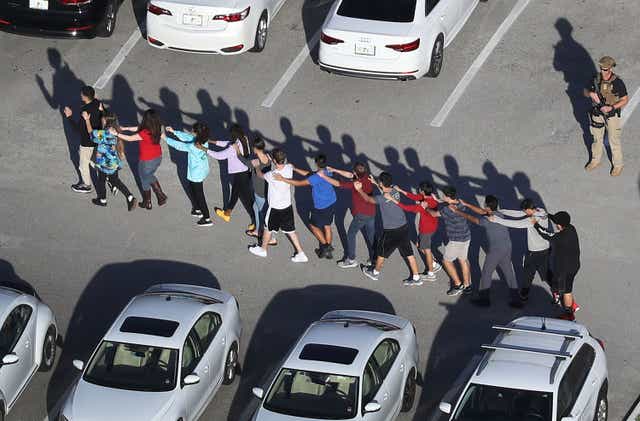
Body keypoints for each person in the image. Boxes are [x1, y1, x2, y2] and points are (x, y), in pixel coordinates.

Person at [451, 196, 522, 307]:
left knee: (486, 274)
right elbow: (483, 212)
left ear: (487, 206)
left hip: (496, 250)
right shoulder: (499, 214)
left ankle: (484, 300)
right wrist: (466, 204)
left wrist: (457, 211)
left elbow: (472, 218)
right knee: (508, 272)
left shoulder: (486, 220)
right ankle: (516, 299)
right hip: (507, 247)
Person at [357, 173, 423, 286]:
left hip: (391, 231)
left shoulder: (381, 198)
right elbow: (386, 190)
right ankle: (416, 277)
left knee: (382, 252)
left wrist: (359, 190)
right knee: (408, 253)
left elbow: (368, 199)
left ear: (382, 183)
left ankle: (375, 272)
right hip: (404, 226)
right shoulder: (394, 190)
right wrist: (375, 183)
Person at [489, 199, 555, 303]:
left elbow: (515, 223)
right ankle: (557, 291)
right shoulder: (541, 211)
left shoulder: (531, 220)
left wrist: (496, 220)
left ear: (529, 209)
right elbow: (518, 213)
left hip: (535, 252)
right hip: (545, 249)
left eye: (525, 211)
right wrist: (501, 211)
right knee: (545, 272)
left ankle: (524, 295)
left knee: (529, 274)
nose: (524, 213)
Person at [248, 149, 308, 263]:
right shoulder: (289, 167)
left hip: (275, 208)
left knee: (267, 227)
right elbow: (286, 166)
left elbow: (260, 175)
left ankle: (263, 249)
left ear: (274, 161)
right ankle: (301, 253)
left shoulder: (272, 175)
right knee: (291, 230)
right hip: (287, 206)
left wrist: (256, 166)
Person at [275, 154, 337, 259]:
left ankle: (326, 248)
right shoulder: (328, 171)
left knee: (313, 225)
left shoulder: (316, 177)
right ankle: (328, 248)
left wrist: (283, 179)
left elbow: (299, 183)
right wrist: (295, 169)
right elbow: (310, 174)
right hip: (331, 202)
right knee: (327, 225)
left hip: (321, 207)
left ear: (316, 163)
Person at [316, 163, 376, 268]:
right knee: (371, 236)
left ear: (355, 173)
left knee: (351, 235)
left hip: (361, 215)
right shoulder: (367, 177)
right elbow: (350, 175)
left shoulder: (355, 183)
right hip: (372, 212)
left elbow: (338, 184)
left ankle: (351, 260)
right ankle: (374, 259)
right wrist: (335, 169)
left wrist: (323, 176)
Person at [113, 109, 167, 210]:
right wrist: (125, 128)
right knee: (146, 178)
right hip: (157, 157)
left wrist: (116, 134)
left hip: (147, 160)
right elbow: (139, 128)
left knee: (146, 177)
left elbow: (130, 138)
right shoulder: (156, 127)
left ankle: (159, 195)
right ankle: (148, 202)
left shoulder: (145, 133)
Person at [584, 56, 629, 176]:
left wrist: (611, 107)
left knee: (613, 140)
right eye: (601, 69)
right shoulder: (595, 79)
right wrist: (590, 94)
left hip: (611, 115)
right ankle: (595, 160)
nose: (603, 71)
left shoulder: (617, 82)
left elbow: (625, 99)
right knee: (596, 138)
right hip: (597, 113)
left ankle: (618, 165)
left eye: (605, 69)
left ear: (610, 68)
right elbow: (584, 91)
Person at [533, 211, 581, 320]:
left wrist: (535, 224)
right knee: (567, 286)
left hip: (564, 269)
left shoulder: (560, 237)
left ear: (560, 225)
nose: (556, 226)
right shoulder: (572, 229)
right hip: (574, 265)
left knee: (565, 289)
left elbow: (546, 234)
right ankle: (569, 304)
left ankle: (569, 313)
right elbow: (559, 221)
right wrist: (549, 215)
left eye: (556, 224)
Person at [86, 110, 137, 211]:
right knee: (115, 181)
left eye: (103, 119)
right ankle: (130, 197)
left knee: (101, 181)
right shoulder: (116, 131)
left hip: (104, 164)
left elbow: (91, 135)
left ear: (105, 120)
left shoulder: (103, 133)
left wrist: (87, 120)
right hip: (114, 163)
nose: (101, 120)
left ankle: (102, 200)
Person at [164, 124, 213, 227]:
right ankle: (196, 208)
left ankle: (207, 217)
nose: (191, 131)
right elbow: (188, 137)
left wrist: (165, 138)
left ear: (196, 133)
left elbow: (179, 145)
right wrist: (174, 131)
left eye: (193, 130)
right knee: (191, 188)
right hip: (201, 169)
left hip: (196, 174)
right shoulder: (203, 140)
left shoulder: (193, 146)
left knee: (200, 195)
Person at [209, 125, 256, 230]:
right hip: (245, 172)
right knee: (237, 194)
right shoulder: (244, 139)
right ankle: (227, 213)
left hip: (239, 174)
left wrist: (205, 149)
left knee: (246, 198)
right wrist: (213, 142)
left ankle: (255, 220)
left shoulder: (233, 147)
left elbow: (219, 155)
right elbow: (228, 143)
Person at [394, 182, 442, 280]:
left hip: (426, 230)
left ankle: (431, 273)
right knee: (419, 245)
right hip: (432, 227)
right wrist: (400, 190)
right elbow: (414, 197)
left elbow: (407, 208)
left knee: (427, 250)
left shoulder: (423, 204)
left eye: (419, 189)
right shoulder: (431, 198)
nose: (418, 190)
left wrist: (394, 200)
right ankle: (433, 263)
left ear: (422, 191)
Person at [235, 137, 275, 244]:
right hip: (266, 189)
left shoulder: (255, 162)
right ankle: (258, 230)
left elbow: (243, 161)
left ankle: (271, 238)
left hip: (260, 192)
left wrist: (237, 150)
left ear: (255, 149)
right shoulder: (268, 157)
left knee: (264, 214)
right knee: (256, 207)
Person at [63, 85, 102, 193]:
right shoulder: (98, 103)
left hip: (87, 141)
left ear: (85, 97)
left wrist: (69, 116)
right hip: (99, 136)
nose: (80, 95)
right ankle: (108, 176)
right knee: (94, 159)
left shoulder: (85, 111)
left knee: (83, 164)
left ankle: (86, 185)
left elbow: (78, 130)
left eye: (82, 94)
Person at [437, 187, 472, 296]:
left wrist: (426, 207)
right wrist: (442, 201)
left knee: (446, 261)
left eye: (443, 195)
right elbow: (449, 202)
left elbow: (434, 214)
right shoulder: (460, 203)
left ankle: (458, 284)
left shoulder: (447, 210)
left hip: (456, 240)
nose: (442, 196)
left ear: (447, 196)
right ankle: (467, 285)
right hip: (466, 236)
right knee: (463, 260)